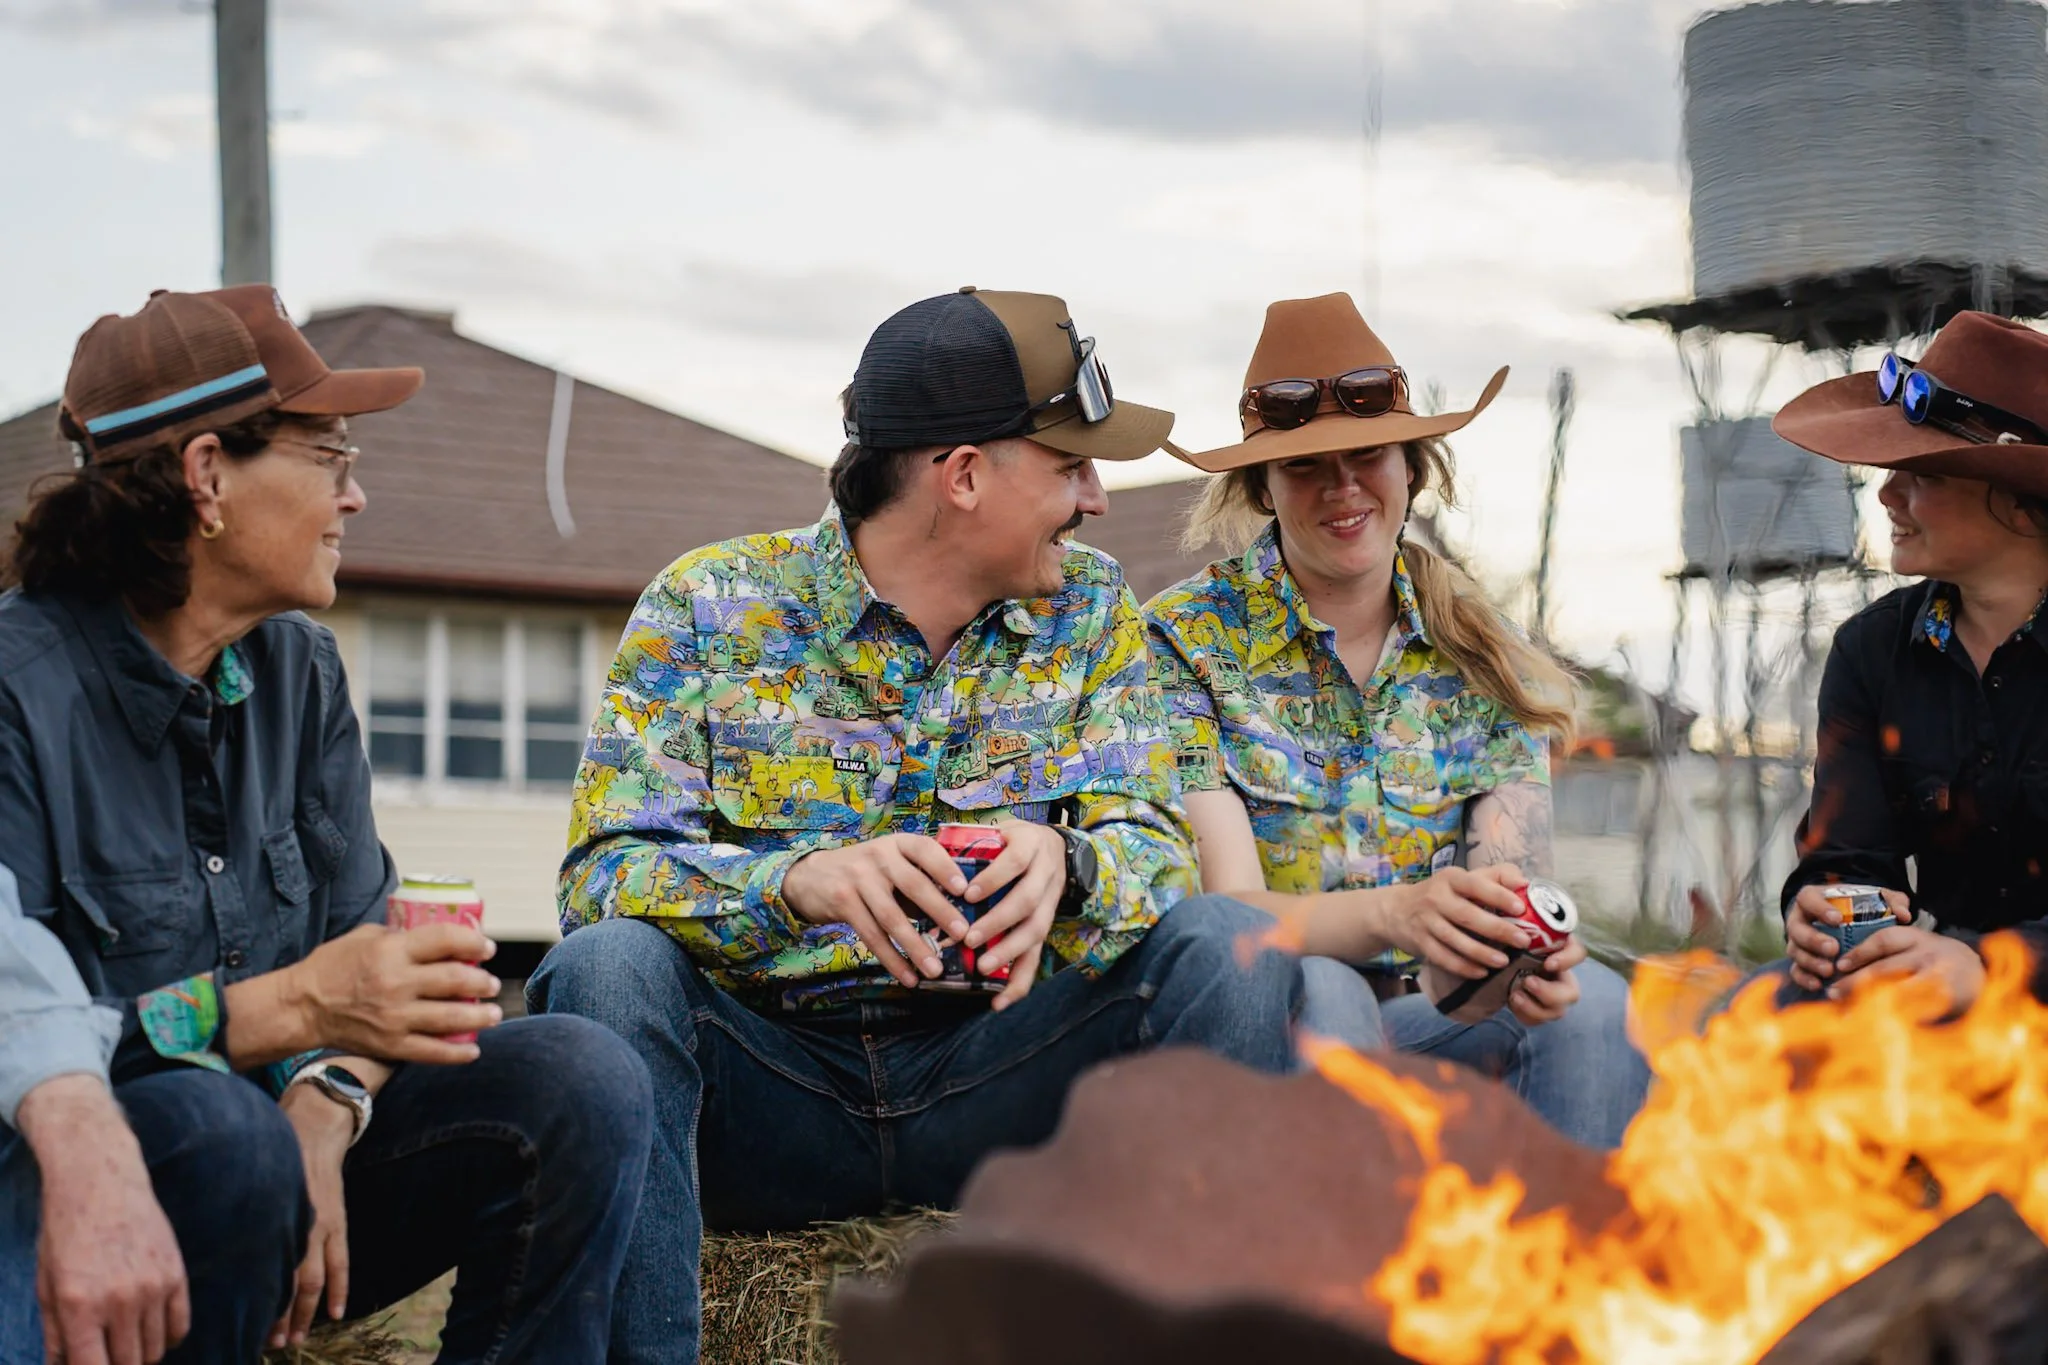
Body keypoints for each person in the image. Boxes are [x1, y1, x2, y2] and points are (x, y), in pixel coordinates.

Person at [527, 287, 1335, 1365]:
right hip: (767, 1099)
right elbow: (597, 878)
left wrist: (1069, 858)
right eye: (1069, 467)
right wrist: (792, 883)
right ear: (962, 477)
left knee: (1229, 949)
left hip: (995, 1078)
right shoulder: (709, 606)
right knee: (608, 969)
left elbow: (1152, 841)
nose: (1095, 499)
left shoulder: (1089, 612)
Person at [0, 287, 653, 1365]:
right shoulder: (20, 689)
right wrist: (281, 1019)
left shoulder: (296, 670)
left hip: (273, 1172)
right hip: (67, 1194)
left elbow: (365, 966)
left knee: (579, 1076)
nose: (355, 498)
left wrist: (324, 1100)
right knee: (220, 1129)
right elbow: (32, 1030)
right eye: (331, 459)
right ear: (207, 476)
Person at [1144, 293, 1650, 1150]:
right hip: (1268, 1027)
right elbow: (1230, 909)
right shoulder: (1183, 644)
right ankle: (1344, 1278)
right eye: (1306, 466)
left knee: (1598, 1007)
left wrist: (1525, 958)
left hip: (1436, 1017)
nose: (1343, 489)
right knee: (1328, 992)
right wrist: (1398, 913)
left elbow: (1504, 903)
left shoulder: (1483, 652)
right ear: (1262, 488)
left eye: (1369, 454)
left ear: (1414, 466)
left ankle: (1563, 1274)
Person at [1771, 310, 2048, 1010]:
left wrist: (1989, 968)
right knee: (1768, 1016)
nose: (1886, 494)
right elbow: (1848, 855)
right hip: (1934, 994)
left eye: (1921, 476)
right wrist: (1823, 905)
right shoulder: (1872, 651)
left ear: (2021, 505)